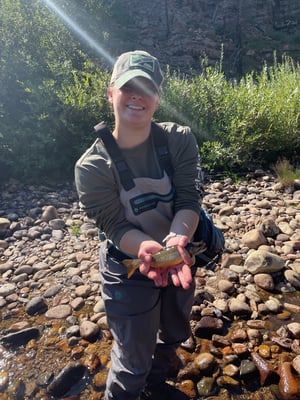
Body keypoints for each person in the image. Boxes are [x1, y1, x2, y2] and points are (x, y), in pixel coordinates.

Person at [74, 50, 204, 400]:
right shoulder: (92, 166)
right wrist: (146, 250)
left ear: (158, 98)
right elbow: (114, 226)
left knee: (174, 334)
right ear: (110, 92)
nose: (137, 95)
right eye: (128, 86)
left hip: (178, 258)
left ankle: (156, 384)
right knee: (131, 361)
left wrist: (177, 239)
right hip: (126, 265)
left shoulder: (178, 140)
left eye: (147, 88)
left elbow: (189, 201)